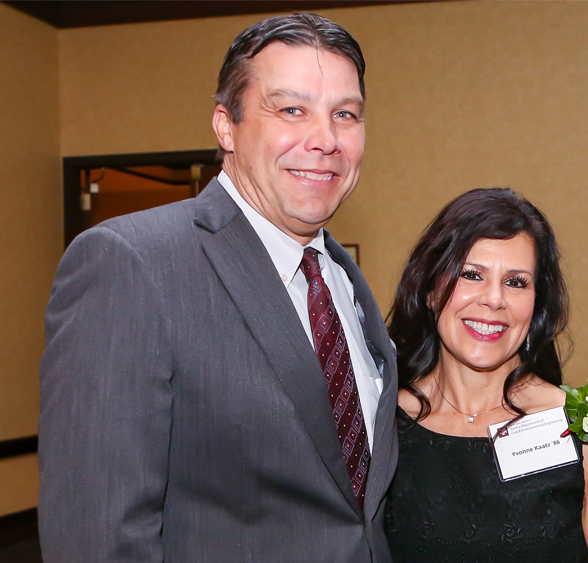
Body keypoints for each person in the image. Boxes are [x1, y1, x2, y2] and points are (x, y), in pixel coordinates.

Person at [38, 13, 397, 562]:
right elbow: (96, 536)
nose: (325, 139)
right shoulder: (131, 263)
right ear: (226, 125)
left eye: (344, 114)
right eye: (292, 109)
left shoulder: (341, 278)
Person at [384, 188, 588, 563]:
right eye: (471, 275)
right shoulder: (381, 425)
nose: (493, 299)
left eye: (516, 282)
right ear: (431, 290)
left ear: (536, 305)